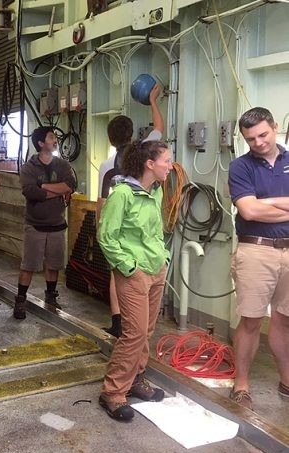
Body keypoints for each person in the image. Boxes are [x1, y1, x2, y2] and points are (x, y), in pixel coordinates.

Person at [97, 140, 172, 421]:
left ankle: (136, 379)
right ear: (149, 164)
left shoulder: (156, 192)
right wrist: (129, 267)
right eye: (166, 160)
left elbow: (155, 233)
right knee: (134, 333)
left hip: (156, 269)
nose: (170, 165)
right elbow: (106, 237)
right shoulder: (122, 194)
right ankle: (113, 392)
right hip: (134, 273)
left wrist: (163, 259)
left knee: (147, 331)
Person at [227, 107, 289, 410]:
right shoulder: (240, 167)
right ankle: (241, 383)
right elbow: (248, 211)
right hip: (255, 250)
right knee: (251, 320)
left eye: (263, 134)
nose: (258, 142)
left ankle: (287, 379)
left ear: (275, 127)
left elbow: (257, 206)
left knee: (284, 319)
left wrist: (269, 202)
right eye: (250, 139)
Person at [97, 84, 164, 337]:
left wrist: (100, 229)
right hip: (140, 226)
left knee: (118, 274)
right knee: (143, 276)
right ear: (133, 133)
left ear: (110, 139)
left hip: (116, 225)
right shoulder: (146, 149)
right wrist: (153, 100)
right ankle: (137, 320)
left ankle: (118, 321)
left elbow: (102, 201)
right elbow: (159, 126)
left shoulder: (106, 165)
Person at [14, 126, 76, 319]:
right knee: (29, 264)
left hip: (57, 223)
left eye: (55, 137)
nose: (55, 140)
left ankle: (50, 296)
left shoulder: (62, 165)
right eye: (51, 137)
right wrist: (57, 191)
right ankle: (21, 299)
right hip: (35, 225)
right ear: (41, 143)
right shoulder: (29, 167)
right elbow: (31, 192)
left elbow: (70, 185)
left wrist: (44, 187)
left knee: (54, 264)